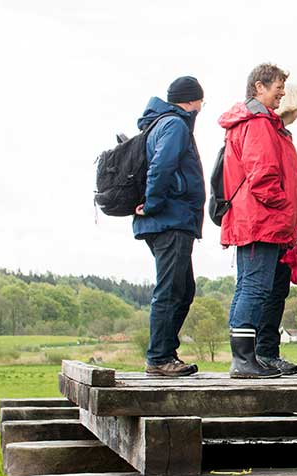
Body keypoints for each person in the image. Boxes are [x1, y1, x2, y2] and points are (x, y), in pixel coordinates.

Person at [219, 63, 297, 379]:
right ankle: (244, 361)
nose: (281, 95)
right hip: (262, 220)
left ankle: (246, 357)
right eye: (278, 88)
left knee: (248, 286)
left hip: (253, 218)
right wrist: (285, 210)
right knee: (255, 288)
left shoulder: (249, 122)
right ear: (259, 87)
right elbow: (263, 175)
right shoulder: (258, 124)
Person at [132, 76, 206, 377]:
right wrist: (152, 203)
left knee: (183, 289)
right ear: (191, 100)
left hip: (168, 219)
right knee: (171, 289)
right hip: (171, 219)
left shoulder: (158, 124)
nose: (201, 108)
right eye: (201, 101)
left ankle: (165, 352)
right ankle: (159, 357)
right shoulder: (175, 124)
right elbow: (162, 166)